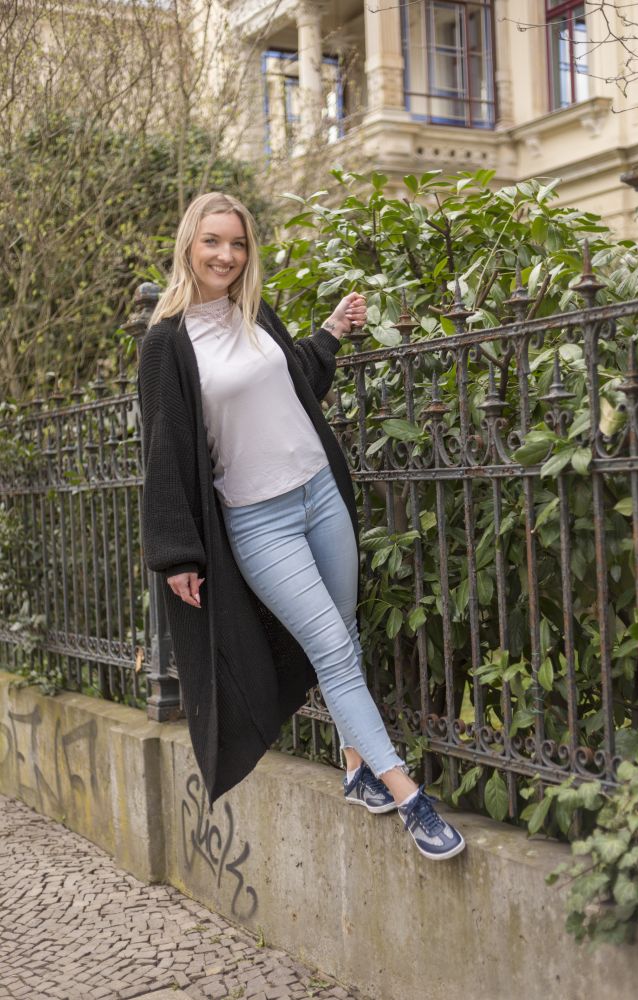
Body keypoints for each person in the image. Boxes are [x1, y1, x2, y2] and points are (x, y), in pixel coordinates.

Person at [138, 191, 465, 861]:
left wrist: (331, 332)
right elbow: (163, 450)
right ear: (188, 247)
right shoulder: (167, 342)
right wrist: (176, 554)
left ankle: (355, 767)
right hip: (260, 523)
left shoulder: (256, 313)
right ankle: (408, 796)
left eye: (236, 243)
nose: (225, 255)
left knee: (342, 636)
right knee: (333, 652)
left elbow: (294, 382)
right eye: (213, 242)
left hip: (319, 494)